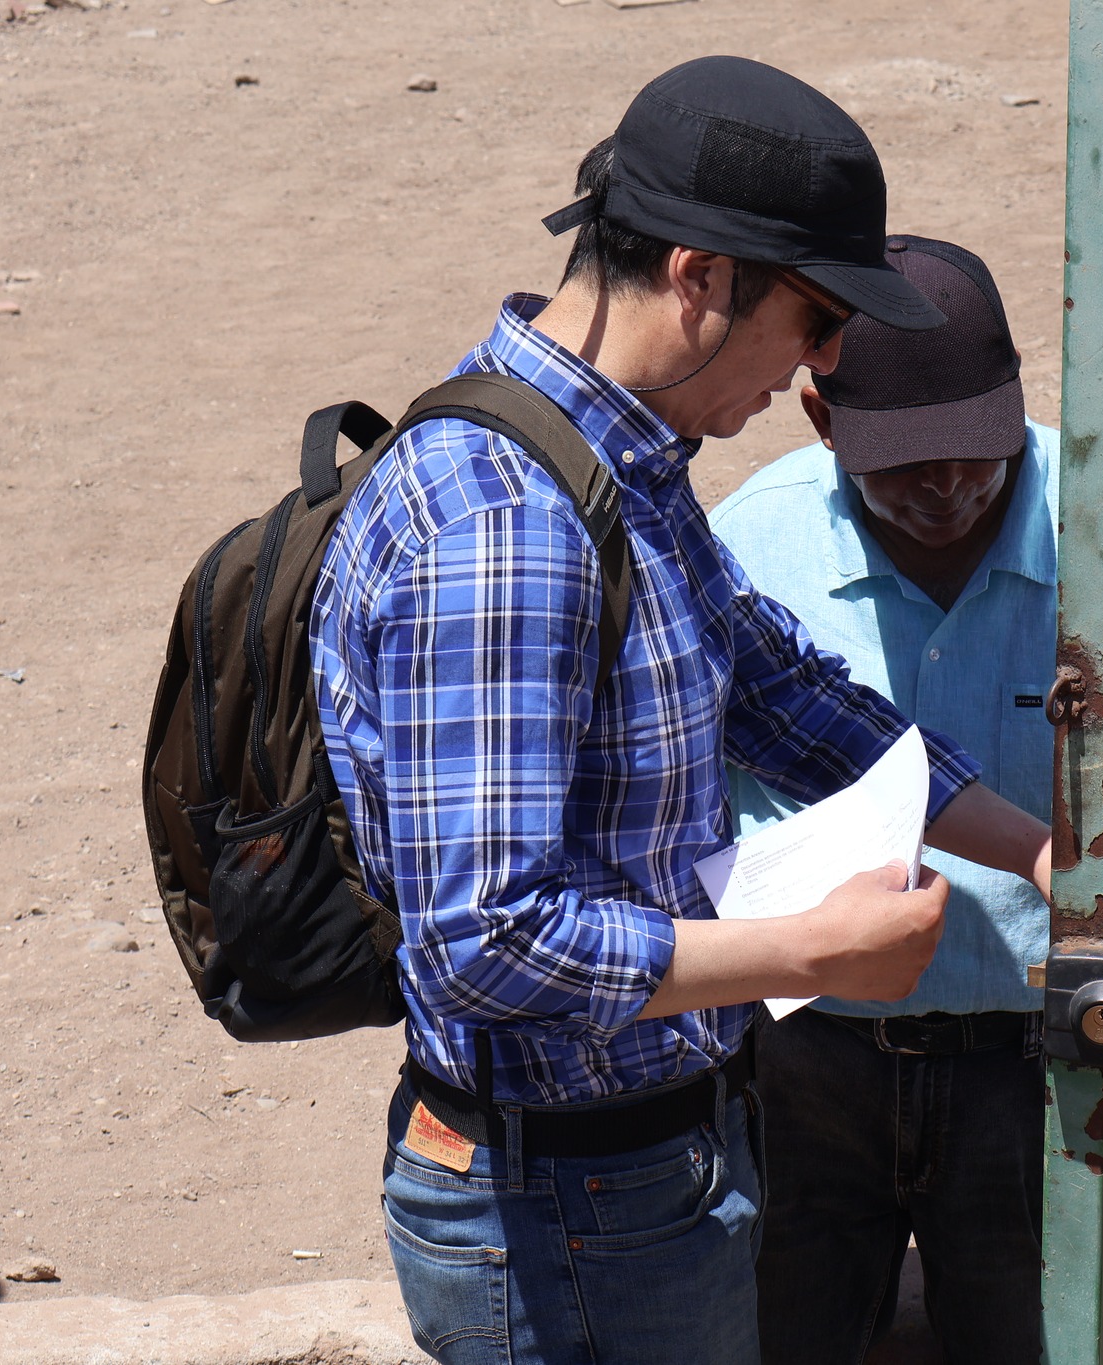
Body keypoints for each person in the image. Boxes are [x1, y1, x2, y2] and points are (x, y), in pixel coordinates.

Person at [308, 59, 1052, 1365]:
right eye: (817, 320)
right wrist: (811, 956)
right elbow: (489, 942)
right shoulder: (510, 527)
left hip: (649, 1169)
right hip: (562, 1207)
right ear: (704, 278)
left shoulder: (617, 458)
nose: (824, 367)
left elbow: (789, 698)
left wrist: (1036, 848)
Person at [711, 235, 1058, 1365]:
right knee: (792, 1331)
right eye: (905, 467)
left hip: (1029, 1062)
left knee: (1023, 1332)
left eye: (976, 451)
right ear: (820, 422)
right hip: (814, 1062)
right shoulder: (747, 550)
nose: (949, 488)